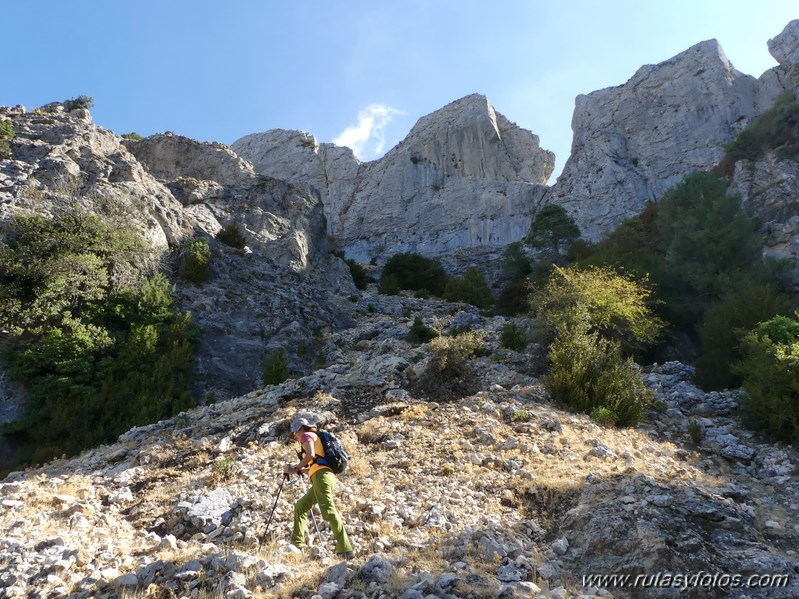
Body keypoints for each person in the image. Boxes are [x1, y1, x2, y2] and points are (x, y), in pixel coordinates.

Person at [284, 416, 353, 558]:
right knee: (300, 507)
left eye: (295, 433)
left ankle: (345, 549)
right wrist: (296, 469)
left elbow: (310, 456)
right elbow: (312, 466)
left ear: (301, 428)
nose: (296, 437)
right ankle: (296, 545)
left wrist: (296, 466)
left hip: (322, 477)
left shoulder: (307, 435)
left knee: (328, 510)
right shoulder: (314, 438)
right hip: (320, 476)